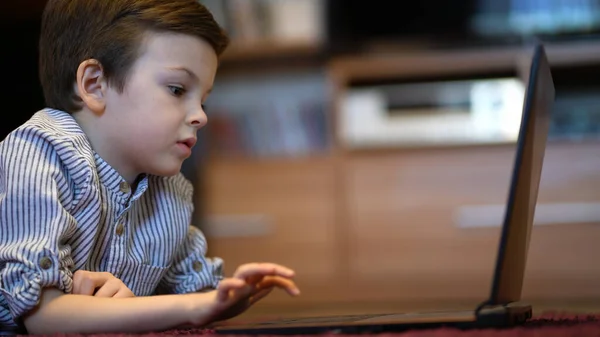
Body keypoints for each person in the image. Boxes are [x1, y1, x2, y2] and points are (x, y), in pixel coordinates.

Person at [0, 0, 300, 335]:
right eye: (177, 90)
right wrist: (192, 306)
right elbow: (44, 317)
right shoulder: (39, 150)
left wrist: (230, 296)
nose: (200, 116)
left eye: (202, 99)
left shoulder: (170, 191)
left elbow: (196, 296)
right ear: (95, 83)